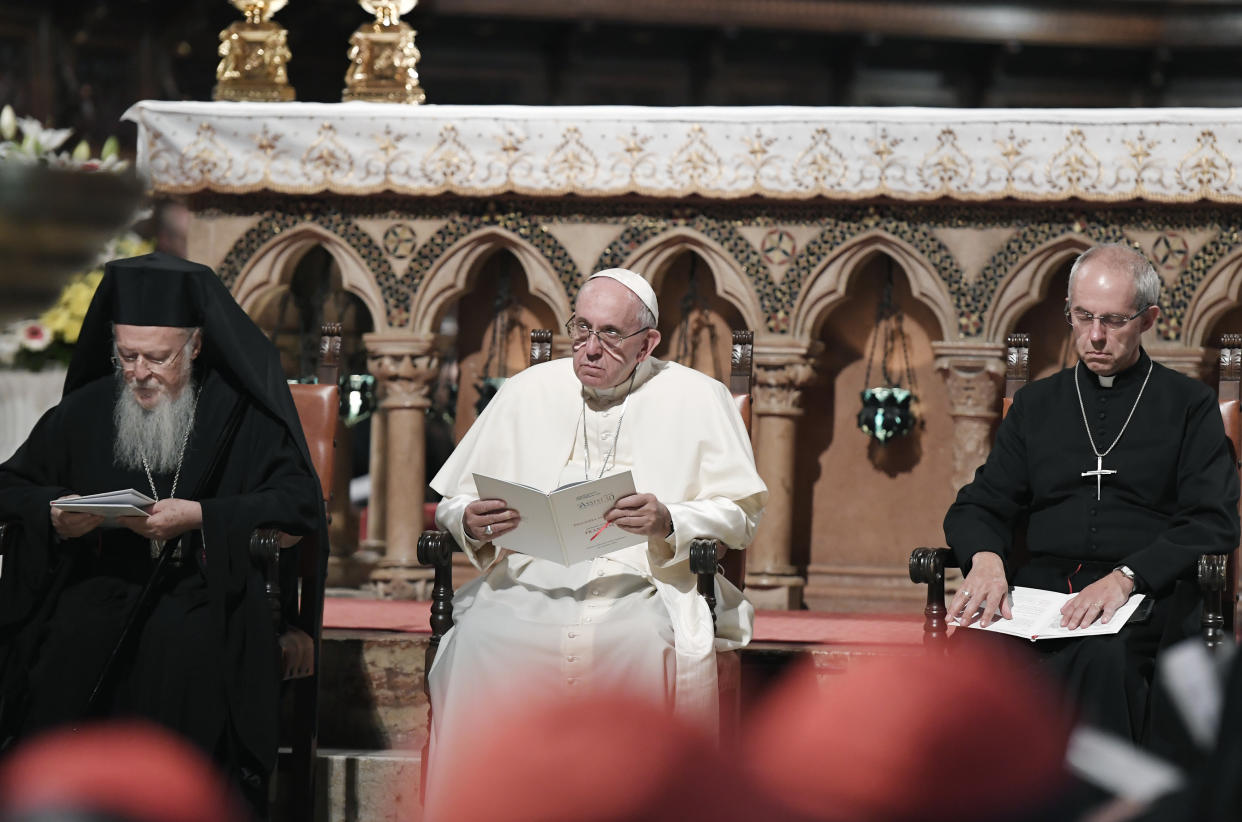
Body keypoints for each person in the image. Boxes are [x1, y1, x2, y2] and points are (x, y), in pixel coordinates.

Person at [423, 268, 767, 813]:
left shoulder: (700, 397)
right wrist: (471, 519)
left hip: (647, 584)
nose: (589, 349)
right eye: (580, 330)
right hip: (530, 579)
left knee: (637, 644)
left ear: (648, 342)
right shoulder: (526, 390)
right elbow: (453, 501)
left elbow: (737, 513)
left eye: (610, 334)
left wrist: (668, 519)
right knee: (479, 640)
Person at [0, 252, 326, 813]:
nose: (139, 373)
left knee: (183, 655)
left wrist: (201, 515)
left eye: (157, 357)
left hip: (198, 591)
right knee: (60, 651)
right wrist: (54, 511)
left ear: (195, 347)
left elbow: (299, 504)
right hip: (97, 585)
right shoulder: (85, 411)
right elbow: (9, 487)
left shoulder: (239, 417)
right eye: (126, 356)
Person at [943, 243, 1240, 744]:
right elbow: (979, 503)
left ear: (1149, 319)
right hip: (1036, 593)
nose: (1095, 336)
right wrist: (986, 557)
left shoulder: (1187, 405)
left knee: (1104, 657)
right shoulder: (1038, 405)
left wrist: (1127, 578)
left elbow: (1213, 521)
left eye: (1113, 320)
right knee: (975, 652)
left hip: (1144, 592)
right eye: (1082, 317)